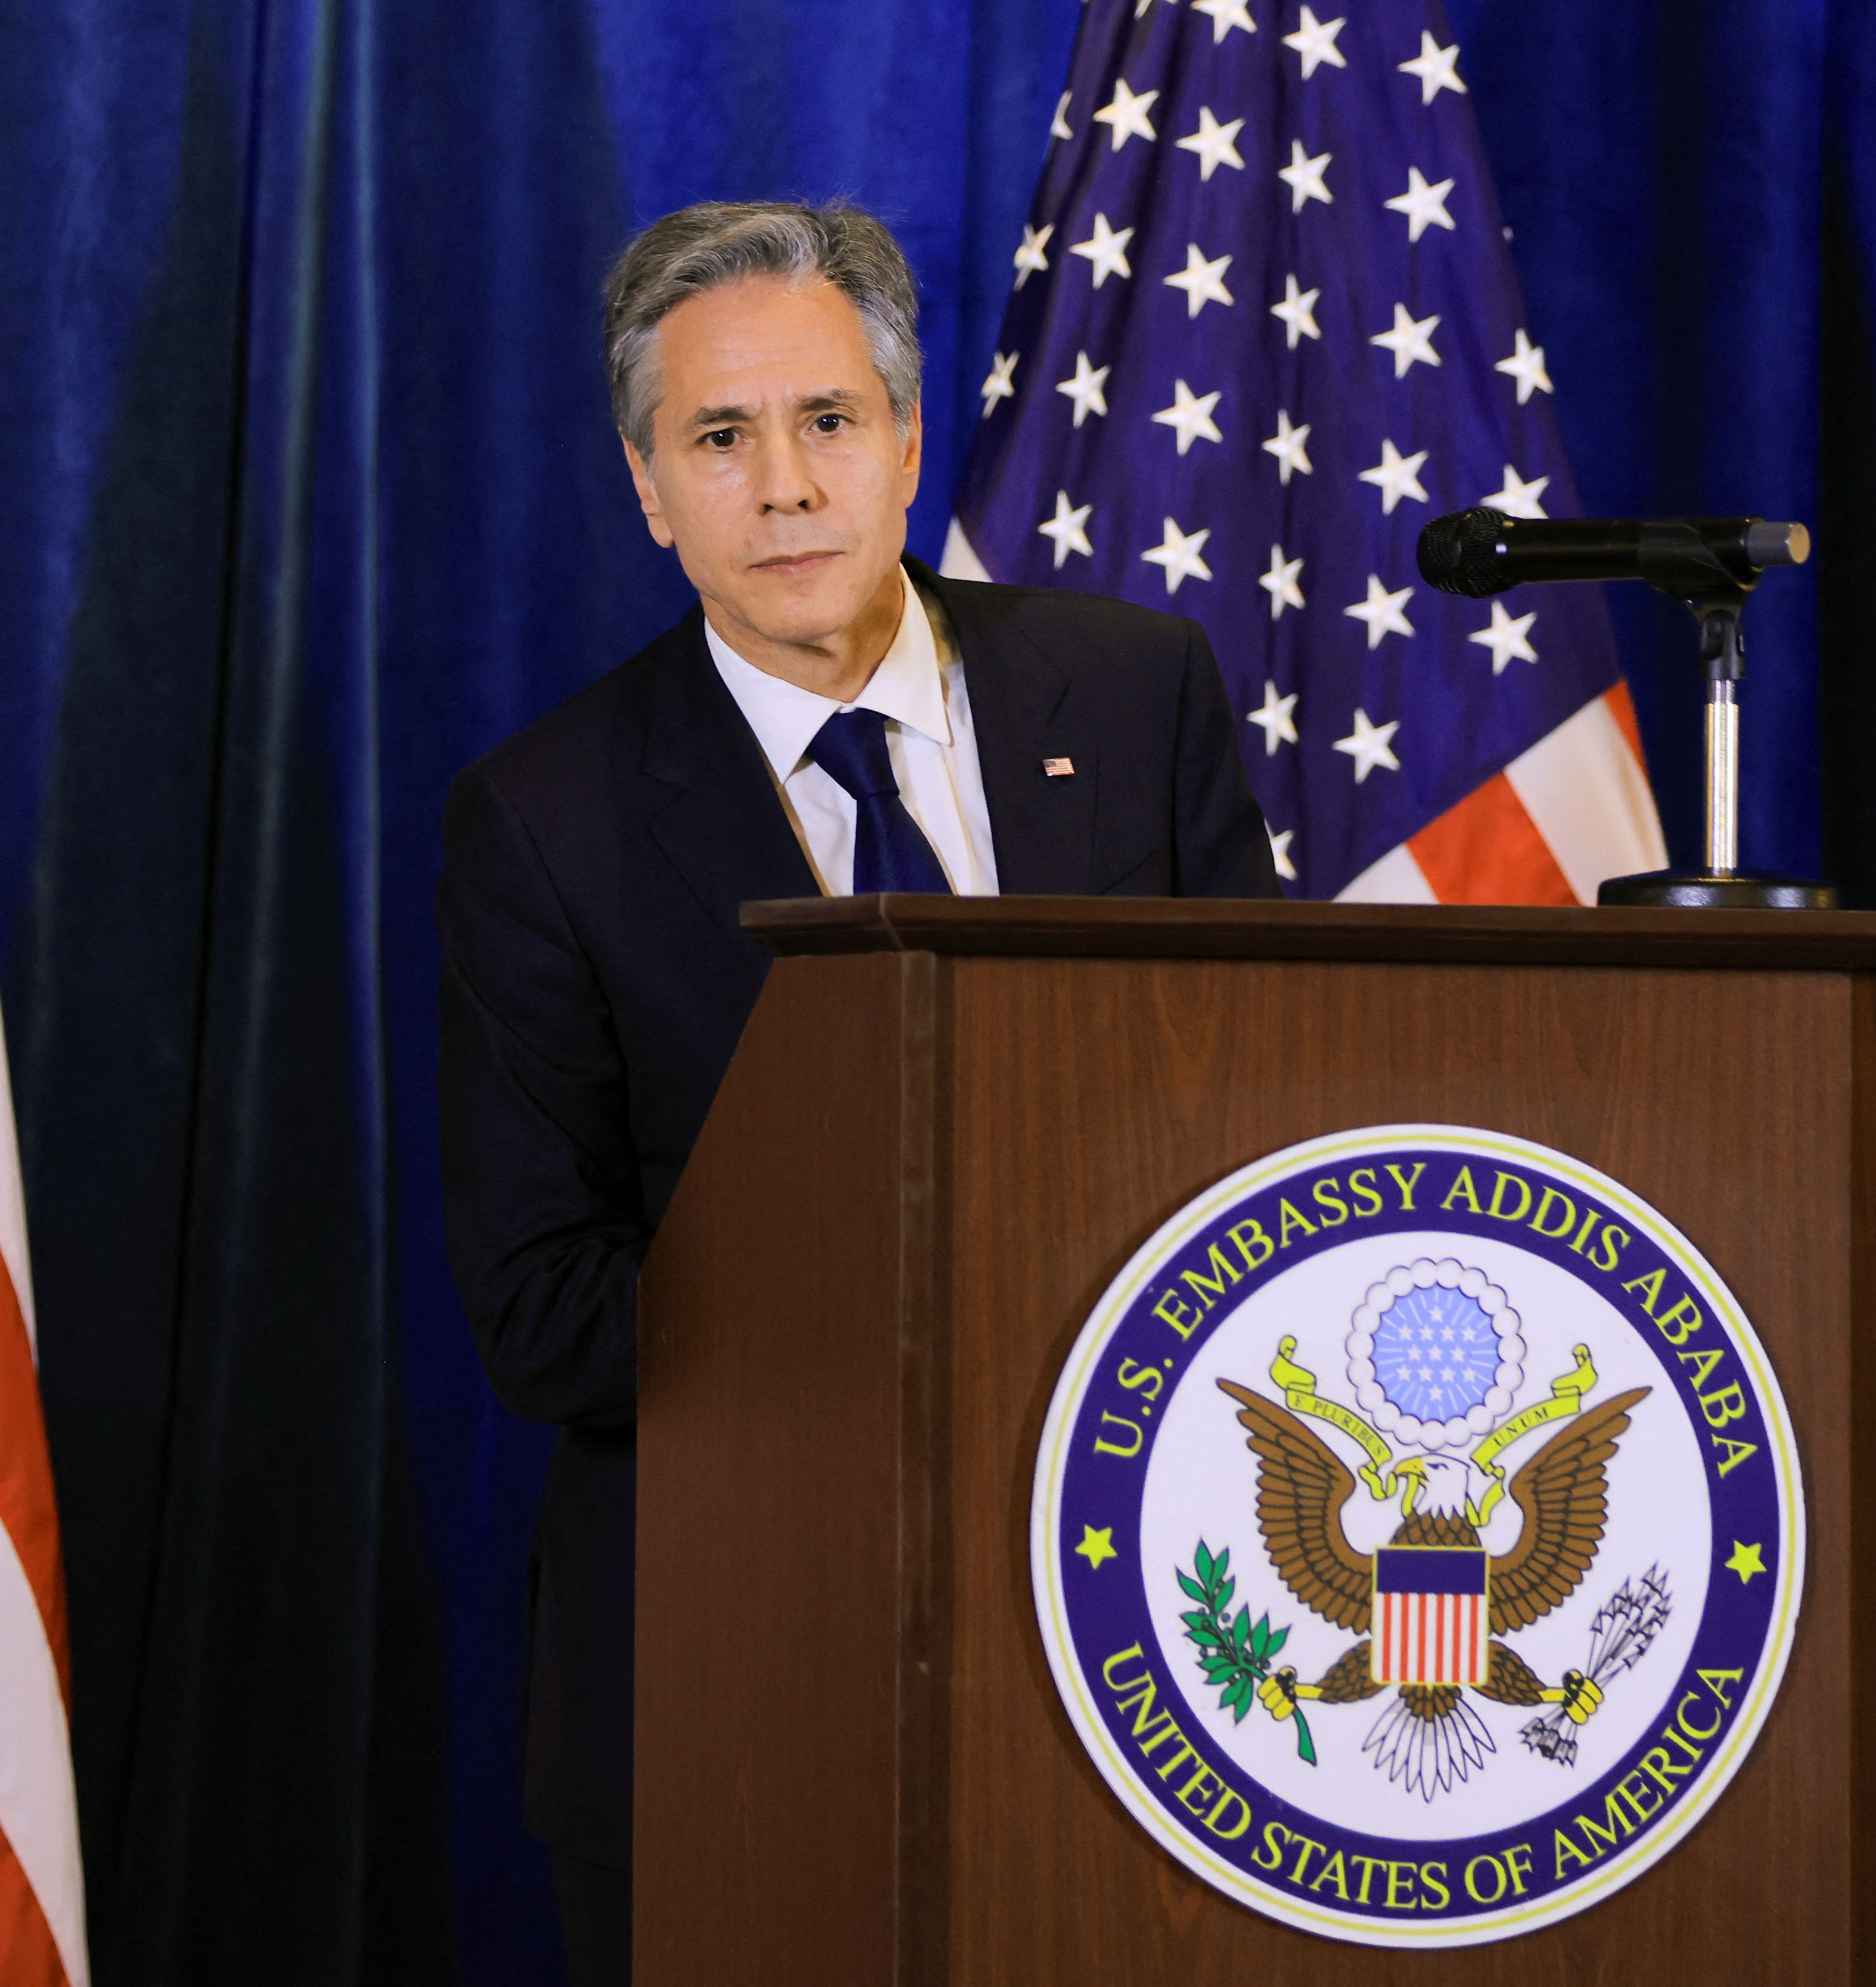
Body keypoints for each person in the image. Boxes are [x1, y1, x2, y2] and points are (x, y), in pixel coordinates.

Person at [436, 200, 1275, 1985]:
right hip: (735, 1673)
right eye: (720, 440)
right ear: (652, 488)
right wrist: (908, 1304)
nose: (786, 485)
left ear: (905, 440)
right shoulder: (547, 821)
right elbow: (539, 1312)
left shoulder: (1135, 698)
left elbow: (1276, 1123)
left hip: (1156, 1651)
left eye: (827, 421)